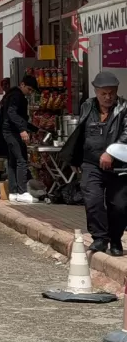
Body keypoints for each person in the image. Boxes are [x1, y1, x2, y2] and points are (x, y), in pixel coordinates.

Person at [60, 71, 127, 255]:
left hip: (118, 165)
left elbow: (126, 133)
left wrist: (111, 152)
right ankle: (99, 238)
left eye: (111, 93)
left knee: (119, 205)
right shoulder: (87, 106)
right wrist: (75, 157)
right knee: (93, 200)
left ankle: (115, 240)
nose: (108, 97)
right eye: (104, 93)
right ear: (96, 92)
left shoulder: (124, 108)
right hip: (91, 163)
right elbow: (81, 133)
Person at [0, 74, 38, 203]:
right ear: (22, 85)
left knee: (13, 161)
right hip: (12, 131)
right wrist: (22, 129)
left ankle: (13, 191)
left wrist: (34, 129)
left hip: (8, 131)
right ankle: (22, 192)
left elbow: (18, 117)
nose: (29, 93)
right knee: (21, 160)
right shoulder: (17, 96)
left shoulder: (12, 94)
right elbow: (12, 113)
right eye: (29, 89)